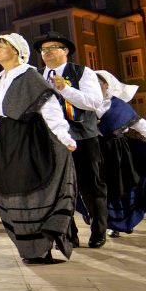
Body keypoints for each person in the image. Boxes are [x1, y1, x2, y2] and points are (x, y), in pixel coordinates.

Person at [0, 34, 77, 265]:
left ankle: (42, 249)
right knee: (12, 193)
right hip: (6, 140)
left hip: (29, 138)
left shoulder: (29, 75)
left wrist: (63, 136)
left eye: (0, 46)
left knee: (32, 191)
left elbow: (49, 106)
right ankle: (29, 248)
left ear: (15, 50)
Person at [35, 30, 107, 249]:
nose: (46, 53)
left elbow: (94, 103)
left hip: (83, 136)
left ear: (65, 51)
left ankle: (98, 230)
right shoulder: (37, 76)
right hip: (51, 139)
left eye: (52, 48)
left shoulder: (82, 72)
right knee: (58, 189)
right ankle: (68, 234)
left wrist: (65, 89)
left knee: (90, 186)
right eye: (43, 50)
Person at [90, 71, 146, 235]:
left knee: (122, 187)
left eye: (97, 82)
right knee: (99, 188)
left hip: (118, 151)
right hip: (95, 150)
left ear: (106, 85)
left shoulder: (119, 106)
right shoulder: (84, 103)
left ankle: (123, 221)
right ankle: (105, 224)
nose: (93, 86)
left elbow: (141, 125)